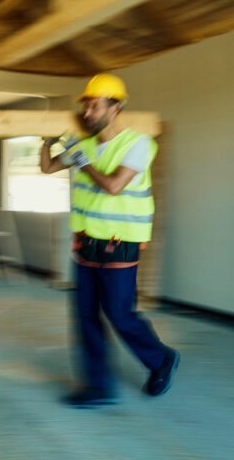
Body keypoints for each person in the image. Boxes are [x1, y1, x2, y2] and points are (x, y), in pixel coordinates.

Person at [41, 73, 179, 408]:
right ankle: (97, 386)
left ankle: (160, 358)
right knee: (85, 315)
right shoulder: (82, 145)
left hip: (120, 243)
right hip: (85, 244)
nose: (88, 112)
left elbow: (114, 186)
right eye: (86, 106)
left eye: (94, 105)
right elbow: (47, 168)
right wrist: (47, 143)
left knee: (119, 314)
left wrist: (83, 161)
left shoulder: (138, 144)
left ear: (115, 108)